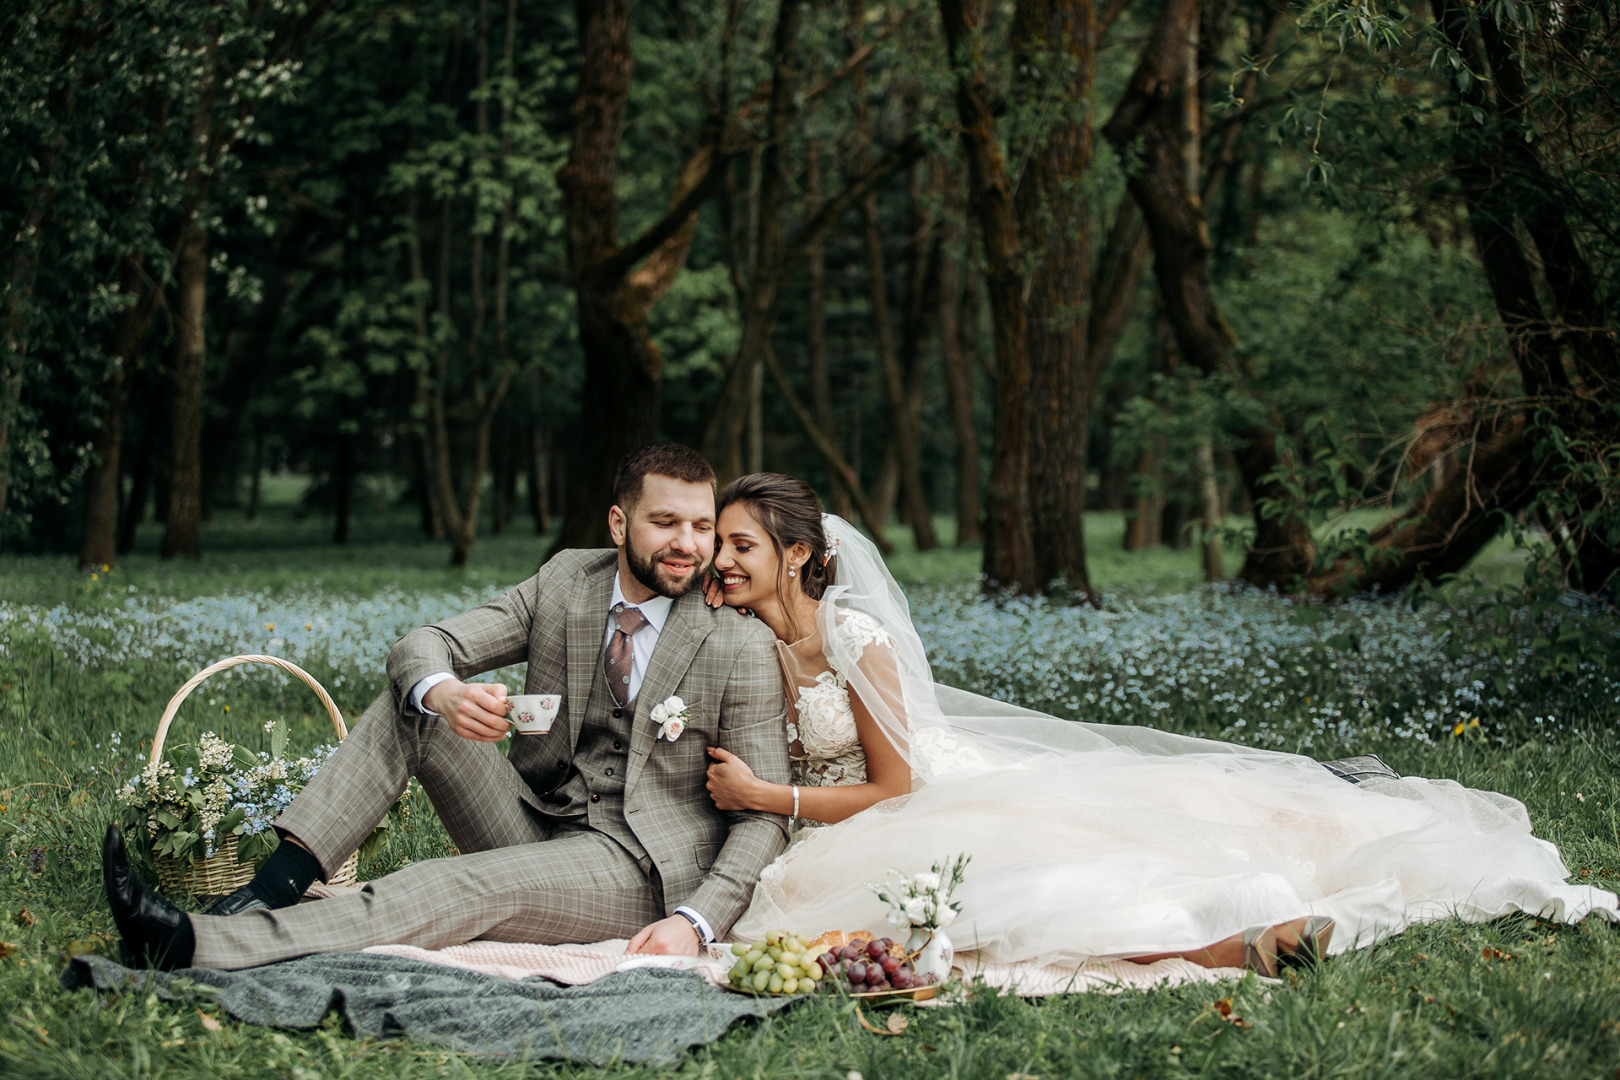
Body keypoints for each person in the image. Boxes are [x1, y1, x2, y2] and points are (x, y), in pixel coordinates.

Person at [698, 473, 1618, 975]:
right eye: (721, 546)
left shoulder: (853, 637)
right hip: (839, 809)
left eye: (744, 546)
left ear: (802, 556)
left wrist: (764, 795)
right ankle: (1236, 937)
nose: (725, 561)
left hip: (913, 800)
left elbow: (896, 786)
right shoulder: (740, 637)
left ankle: (1234, 938)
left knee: (1025, 890)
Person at [102, 443, 792, 971]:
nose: (689, 544)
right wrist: (448, 692)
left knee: (454, 885)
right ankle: (271, 889)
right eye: (665, 521)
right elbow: (425, 643)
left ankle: (195, 945)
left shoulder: (736, 642)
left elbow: (763, 814)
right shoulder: (565, 583)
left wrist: (698, 921)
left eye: (702, 526)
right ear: (619, 523)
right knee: (415, 703)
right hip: (535, 817)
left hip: (634, 865)